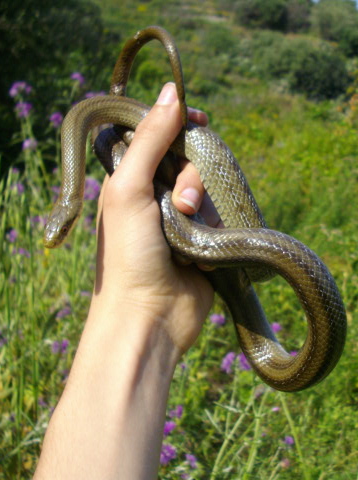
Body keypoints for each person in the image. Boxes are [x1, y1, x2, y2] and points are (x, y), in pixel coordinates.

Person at [34, 83, 216, 479]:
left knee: (183, 155)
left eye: (61, 231)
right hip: (170, 287)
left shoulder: (88, 125)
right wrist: (147, 309)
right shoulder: (84, 159)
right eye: (60, 232)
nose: (58, 239)